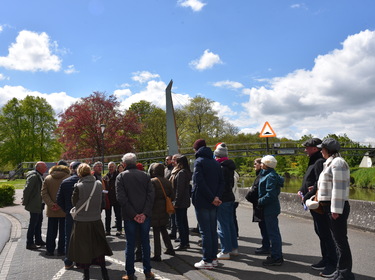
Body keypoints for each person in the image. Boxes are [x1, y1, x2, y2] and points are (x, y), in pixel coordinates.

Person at [317, 138, 355, 280]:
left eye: (322, 148)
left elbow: (339, 188)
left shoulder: (338, 163)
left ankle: (345, 274)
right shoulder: (331, 163)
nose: (321, 151)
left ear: (328, 150)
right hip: (330, 207)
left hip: (335, 208)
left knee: (340, 242)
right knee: (337, 241)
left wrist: (336, 210)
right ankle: (340, 271)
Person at [298, 138, 337, 278]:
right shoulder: (315, 160)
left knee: (325, 233)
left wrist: (307, 194)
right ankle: (325, 259)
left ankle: (332, 263)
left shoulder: (319, 161)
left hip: (320, 203)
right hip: (314, 201)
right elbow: (311, 179)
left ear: (315, 148)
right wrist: (301, 189)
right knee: (320, 232)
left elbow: (319, 183)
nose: (305, 150)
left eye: (307, 147)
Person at [68, 163, 112, 280]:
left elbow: (74, 203)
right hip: (96, 220)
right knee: (98, 248)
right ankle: (105, 274)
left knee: (84, 249)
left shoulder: (79, 186)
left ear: (79, 173)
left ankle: (86, 276)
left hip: (82, 221)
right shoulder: (98, 184)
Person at [116, 153, 155, 280]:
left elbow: (121, 198)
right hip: (144, 215)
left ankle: (130, 273)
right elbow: (151, 196)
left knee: (130, 244)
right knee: (145, 243)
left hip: (129, 216)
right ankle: (148, 271)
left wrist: (134, 214)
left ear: (124, 164)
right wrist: (144, 213)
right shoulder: (145, 175)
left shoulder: (121, 176)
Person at [191, 139, 224, 269]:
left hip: (203, 201)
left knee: (205, 232)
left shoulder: (199, 162)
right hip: (214, 201)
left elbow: (199, 182)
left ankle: (207, 260)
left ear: (196, 149)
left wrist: (211, 197)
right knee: (212, 231)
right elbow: (222, 182)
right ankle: (214, 258)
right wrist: (217, 197)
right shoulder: (215, 163)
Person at [213, 143, 239, 260]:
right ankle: (234, 248)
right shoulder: (230, 167)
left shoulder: (220, 167)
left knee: (222, 225)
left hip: (222, 199)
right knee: (230, 224)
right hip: (230, 198)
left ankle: (225, 251)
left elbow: (219, 185)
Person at [258, 155, 284, 266]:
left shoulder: (270, 177)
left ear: (266, 165)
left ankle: (277, 257)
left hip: (270, 209)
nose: (260, 164)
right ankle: (276, 255)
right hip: (270, 208)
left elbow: (271, 194)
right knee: (273, 233)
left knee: (273, 234)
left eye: (262, 163)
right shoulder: (269, 175)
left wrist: (260, 201)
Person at [41, 160, 70, 256]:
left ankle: (50, 250)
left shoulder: (48, 178)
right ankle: (61, 250)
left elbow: (44, 193)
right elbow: (69, 195)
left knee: (51, 231)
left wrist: (51, 204)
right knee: (63, 231)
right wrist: (60, 205)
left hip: (51, 209)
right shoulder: (68, 178)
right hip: (63, 209)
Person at [56, 161, 81, 269]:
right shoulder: (87, 182)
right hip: (84, 214)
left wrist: (66, 209)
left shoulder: (65, 182)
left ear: (72, 169)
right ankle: (80, 261)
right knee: (82, 237)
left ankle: (68, 261)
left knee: (69, 237)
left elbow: (59, 199)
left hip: (70, 213)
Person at [149, 163, 175, 262]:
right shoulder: (167, 181)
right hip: (164, 208)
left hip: (155, 209)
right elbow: (172, 196)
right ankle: (170, 248)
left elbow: (151, 197)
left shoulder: (153, 181)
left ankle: (157, 254)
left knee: (156, 231)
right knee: (163, 229)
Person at [245, 158, 270, 255]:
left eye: (255, 164)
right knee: (264, 226)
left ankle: (266, 247)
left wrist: (249, 197)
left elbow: (255, 190)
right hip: (260, 204)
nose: (254, 166)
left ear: (261, 164)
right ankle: (266, 245)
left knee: (264, 226)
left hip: (260, 205)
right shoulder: (262, 175)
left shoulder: (261, 175)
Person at [169, 154, 192, 251]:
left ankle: (183, 243)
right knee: (184, 222)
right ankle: (186, 242)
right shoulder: (186, 172)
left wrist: (176, 202)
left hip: (180, 202)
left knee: (180, 223)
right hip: (185, 201)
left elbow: (179, 189)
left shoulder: (181, 173)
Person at [23, 161, 47, 250]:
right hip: (34, 204)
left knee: (38, 222)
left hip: (39, 203)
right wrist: (25, 201)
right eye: (44, 167)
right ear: (38, 168)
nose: (46, 168)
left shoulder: (39, 175)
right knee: (33, 223)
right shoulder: (34, 176)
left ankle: (38, 240)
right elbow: (27, 190)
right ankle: (29, 243)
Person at [103, 161, 122, 236]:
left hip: (116, 198)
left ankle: (119, 229)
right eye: (109, 167)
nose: (110, 168)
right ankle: (107, 230)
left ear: (115, 167)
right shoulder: (105, 176)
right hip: (108, 198)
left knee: (118, 215)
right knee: (107, 216)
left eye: (112, 167)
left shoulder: (119, 176)